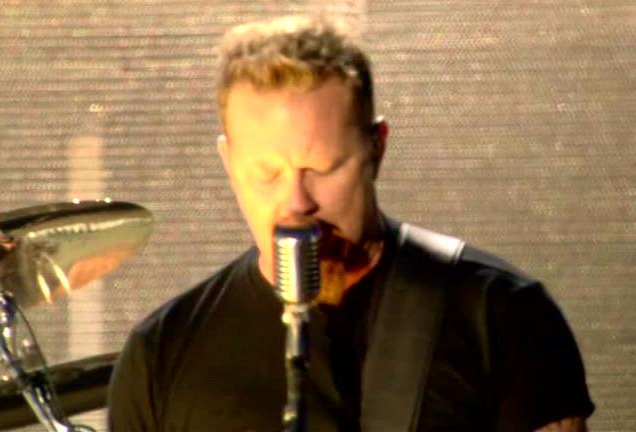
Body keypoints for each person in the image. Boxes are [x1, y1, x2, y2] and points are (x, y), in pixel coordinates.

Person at [107, 15, 594, 431]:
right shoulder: (161, 353)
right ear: (229, 164)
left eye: (322, 168)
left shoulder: (503, 314)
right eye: (267, 174)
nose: (296, 201)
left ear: (376, 148)